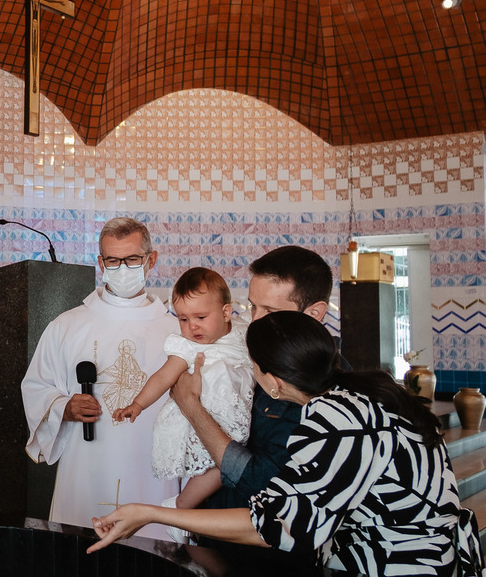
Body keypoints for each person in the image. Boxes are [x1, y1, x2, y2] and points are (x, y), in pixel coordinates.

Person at [89, 311, 484, 577]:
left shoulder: (334, 419)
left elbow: (277, 524)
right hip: (436, 574)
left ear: (272, 382)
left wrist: (152, 513)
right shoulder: (361, 395)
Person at [21, 216, 179, 534]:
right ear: (100, 262)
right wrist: (64, 406)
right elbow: (36, 386)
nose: (122, 268)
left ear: (152, 260)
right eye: (113, 260)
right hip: (85, 466)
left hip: (150, 469)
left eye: (132, 259)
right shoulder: (67, 326)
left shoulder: (175, 329)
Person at [172, 245, 335, 508]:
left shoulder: (322, 387)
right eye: (253, 306)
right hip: (208, 527)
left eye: (270, 311)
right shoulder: (249, 352)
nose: (255, 321)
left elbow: (265, 484)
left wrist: (190, 405)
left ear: (314, 313)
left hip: (257, 539)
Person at [113, 267, 255, 511]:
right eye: (183, 319)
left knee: (233, 462)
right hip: (204, 420)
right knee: (217, 466)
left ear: (226, 312)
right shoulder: (186, 347)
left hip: (237, 415)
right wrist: (138, 404)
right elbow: (162, 377)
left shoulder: (244, 330)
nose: (192, 327)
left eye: (201, 317)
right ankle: (181, 506)